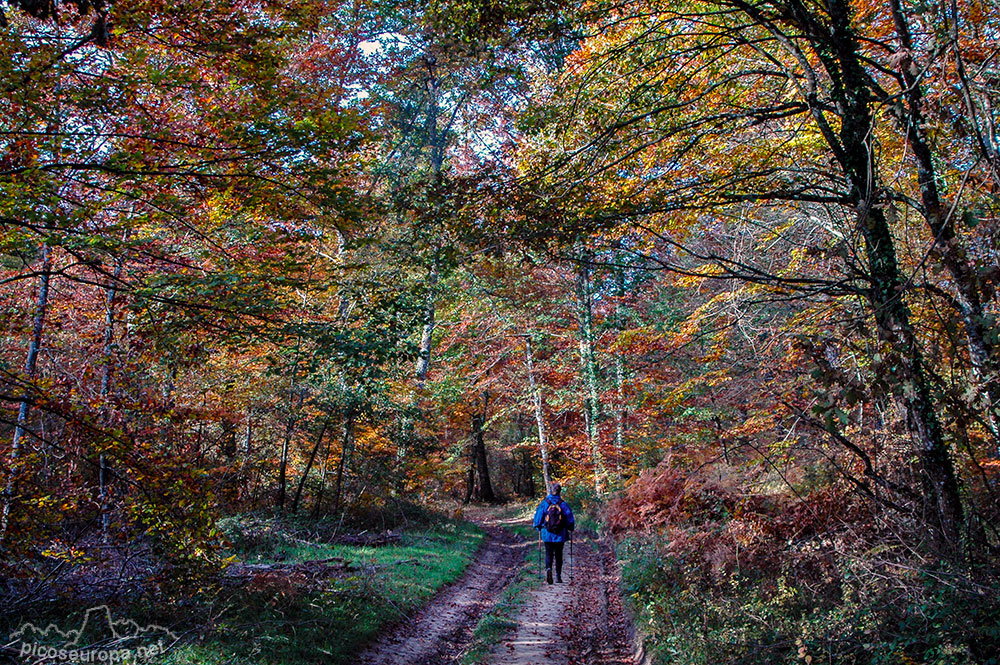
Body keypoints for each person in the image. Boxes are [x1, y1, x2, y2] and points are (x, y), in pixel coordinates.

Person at [533, 482, 575, 584]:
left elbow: (538, 519)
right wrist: (571, 528)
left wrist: (538, 527)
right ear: (560, 492)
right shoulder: (563, 504)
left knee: (548, 553)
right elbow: (570, 520)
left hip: (547, 534)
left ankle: (548, 569)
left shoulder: (544, 503)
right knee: (559, 554)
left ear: (550, 491)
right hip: (560, 534)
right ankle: (558, 577)